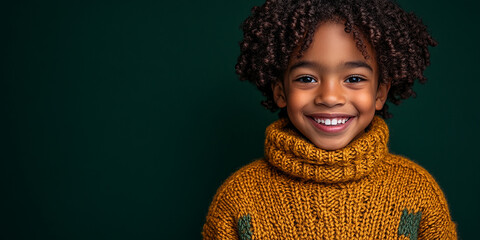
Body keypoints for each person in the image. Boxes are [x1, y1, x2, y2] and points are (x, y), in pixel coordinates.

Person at [202, 0, 457, 239]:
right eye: (307, 79)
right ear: (280, 91)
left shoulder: (417, 193)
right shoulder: (238, 199)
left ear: (380, 92)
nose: (330, 97)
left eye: (354, 79)